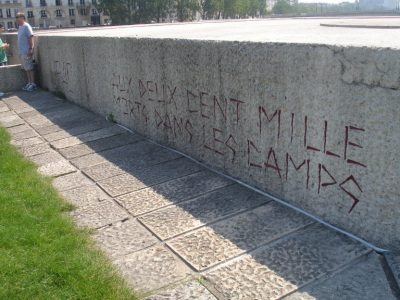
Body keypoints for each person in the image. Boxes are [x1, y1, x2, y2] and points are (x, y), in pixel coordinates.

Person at [16, 12, 36, 92]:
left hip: (26, 50)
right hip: (21, 51)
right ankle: (29, 82)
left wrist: (30, 48)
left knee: (30, 68)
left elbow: (31, 37)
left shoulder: (26, 26)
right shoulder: (20, 27)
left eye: (17, 17)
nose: (16, 18)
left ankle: (33, 83)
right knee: (26, 69)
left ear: (23, 17)